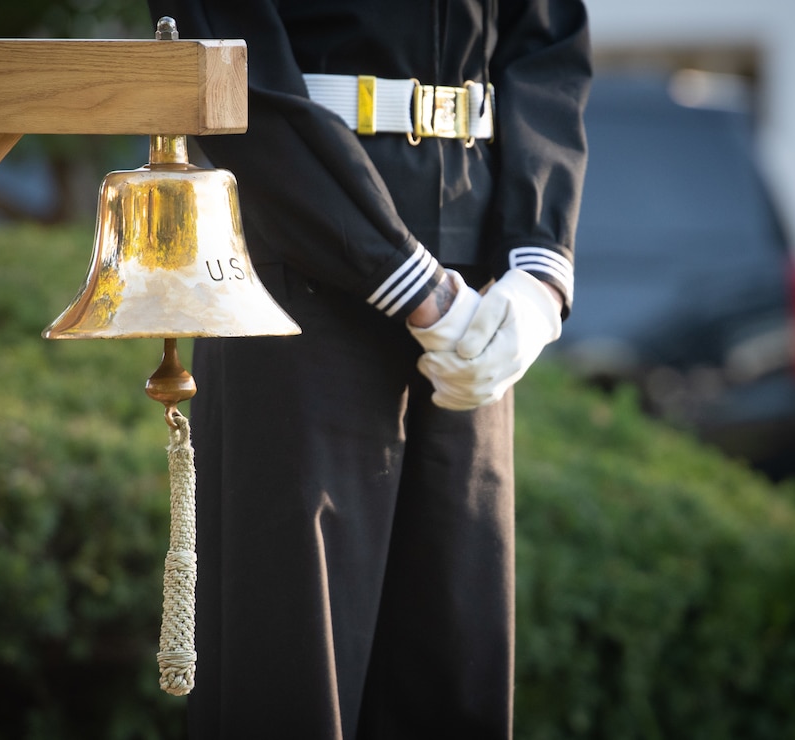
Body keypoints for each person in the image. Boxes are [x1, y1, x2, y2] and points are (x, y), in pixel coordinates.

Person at [145, 1, 591, 738]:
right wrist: (410, 280)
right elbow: (231, 56)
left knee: (456, 668)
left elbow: (545, 43)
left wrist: (540, 271)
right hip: (297, 269)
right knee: (288, 680)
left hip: (478, 295)